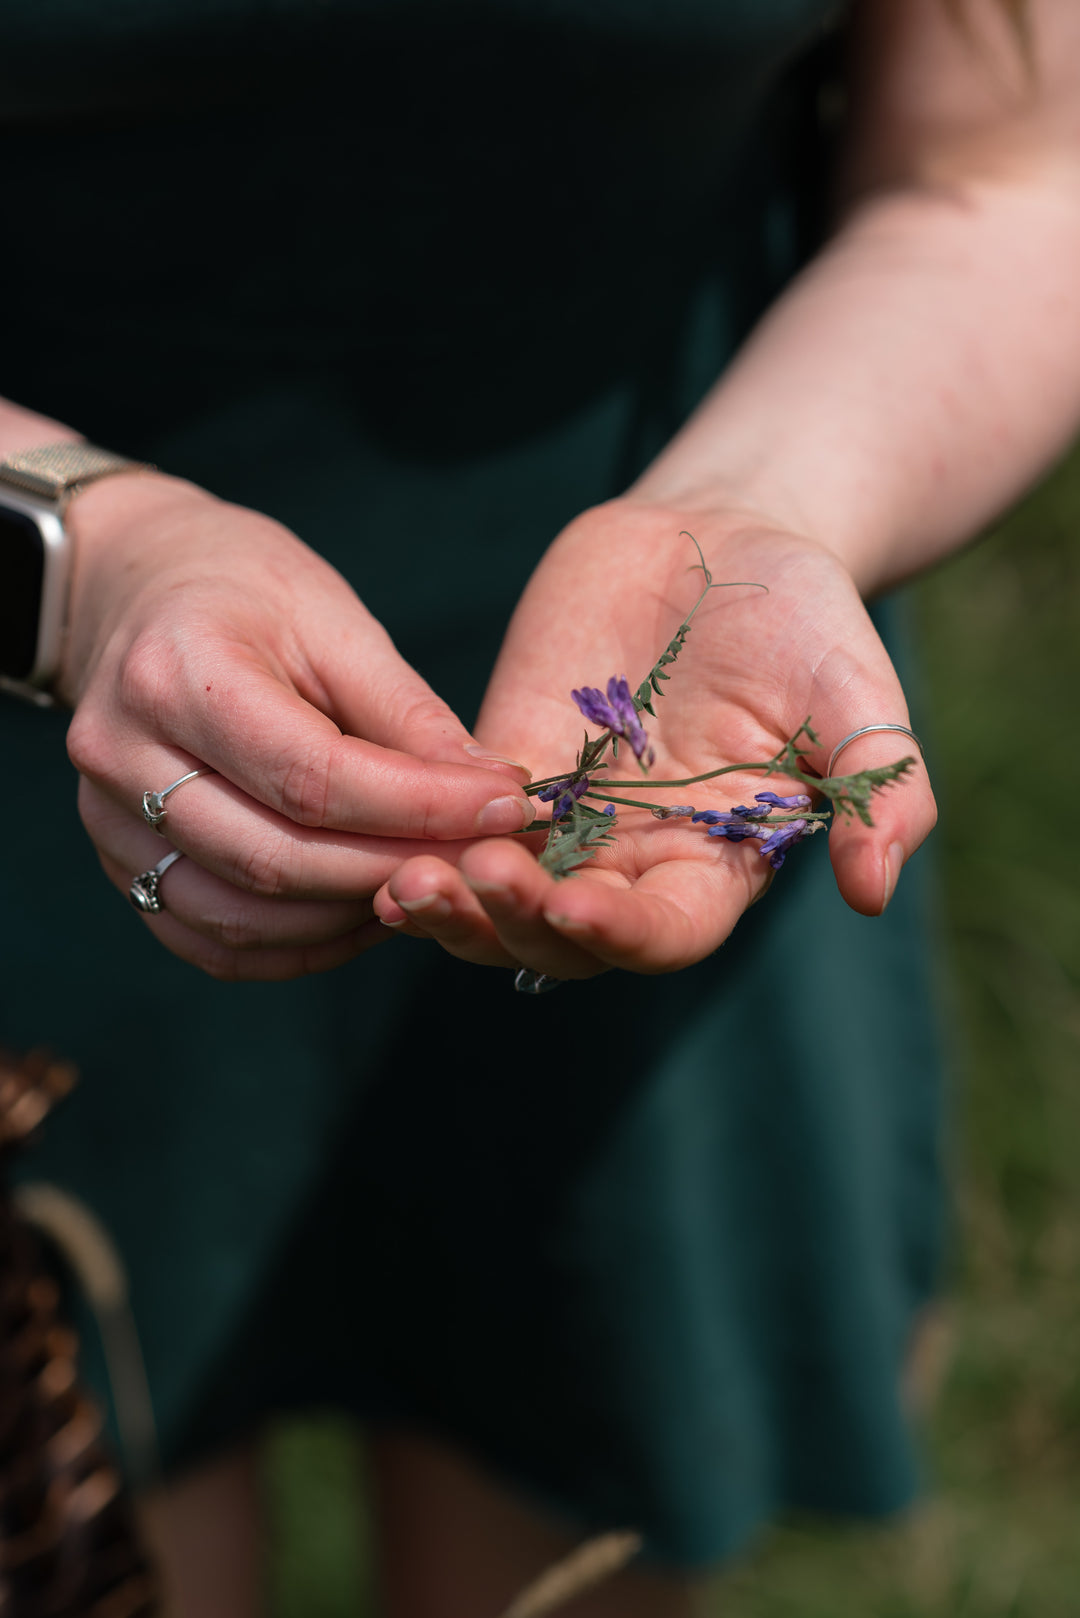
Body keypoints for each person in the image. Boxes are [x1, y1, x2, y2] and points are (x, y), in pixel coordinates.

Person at [2, 0, 1078, 1613]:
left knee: (563, 1518)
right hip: (36, 677)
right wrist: (74, 564)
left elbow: (1010, 163)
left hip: (681, 601)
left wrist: (769, 506)